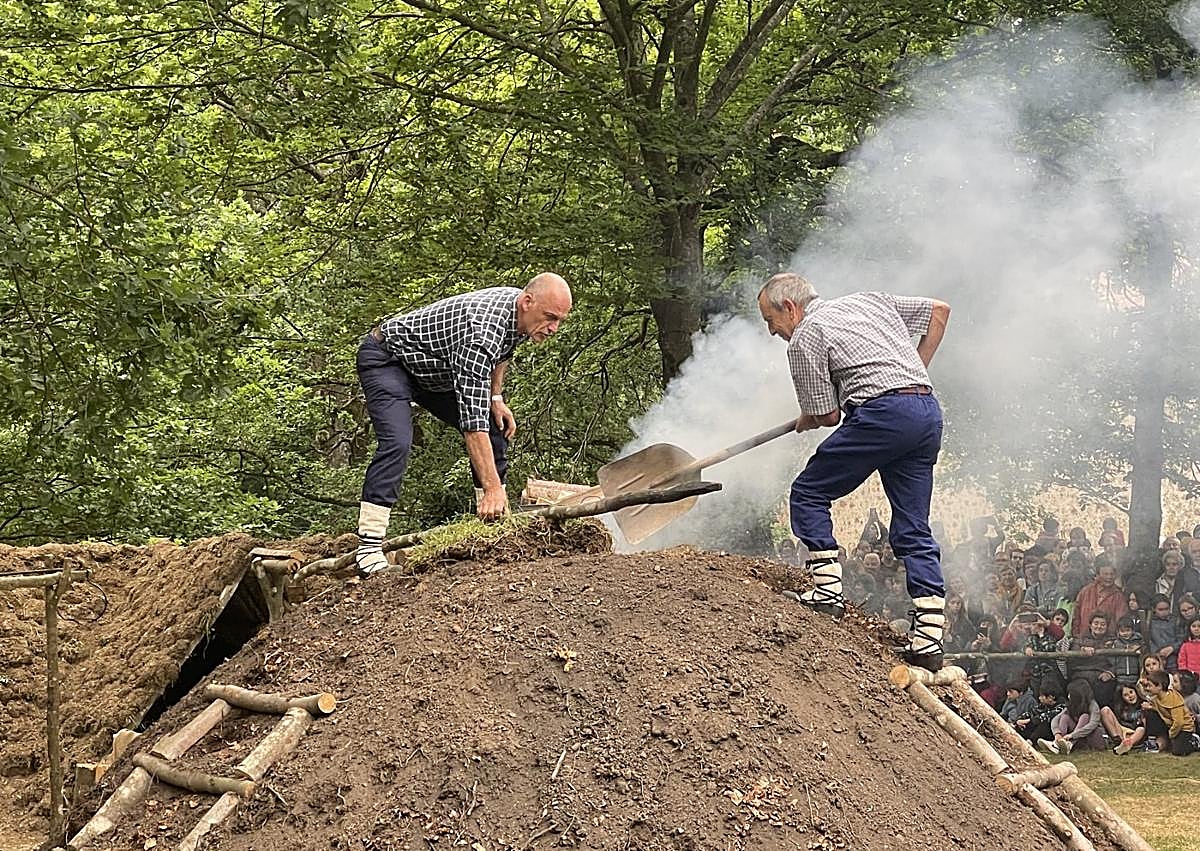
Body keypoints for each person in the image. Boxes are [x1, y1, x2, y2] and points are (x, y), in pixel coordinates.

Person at [758, 273, 950, 671]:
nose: (771, 331)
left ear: (789, 308)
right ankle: (929, 641)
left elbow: (828, 415)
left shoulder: (805, 336)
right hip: (926, 412)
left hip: (882, 415)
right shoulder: (869, 300)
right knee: (913, 525)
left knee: (808, 493)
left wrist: (810, 417)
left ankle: (826, 592)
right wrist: (915, 370)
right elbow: (939, 312)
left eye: (770, 320)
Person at [353, 274, 573, 574]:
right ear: (527, 302)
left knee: (496, 429)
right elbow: (472, 424)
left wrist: (496, 397)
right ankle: (368, 547)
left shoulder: (521, 314)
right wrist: (494, 488)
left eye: (559, 320)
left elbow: (503, 352)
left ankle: (491, 531)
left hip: (434, 372)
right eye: (550, 318)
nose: (553, 328)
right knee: (397, 441)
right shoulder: (480, 335)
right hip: (389, 361)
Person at [1141, 670, 1198, 756]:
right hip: (1171, 725)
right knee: (1150, 713)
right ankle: (1153, 740)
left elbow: (1179, 722)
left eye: (1149, 686)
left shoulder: (1173, 700)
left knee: (1178, 751)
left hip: (1183, 728)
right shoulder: (1157, 697)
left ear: (1159, 686)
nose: (1147, 688)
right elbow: (1161, 708)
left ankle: (1194, 742)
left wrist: (1171, 734)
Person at [1038, 679, 1104, 754]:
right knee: (1065, 717)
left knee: (1085, 716)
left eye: (1071, 693)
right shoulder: (1071, 704)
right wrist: (1057, 733)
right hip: (1077, 738)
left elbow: (1092, 725)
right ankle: (1057, 744)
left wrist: (1072, 735)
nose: (1069, 696)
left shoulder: (1092, 705)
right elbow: (1056, 719)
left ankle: (1069, 744)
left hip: (1092, 738)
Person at [1071, 563, 1123, 638]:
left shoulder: (1119, 596)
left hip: (1108, 643)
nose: (1109, 577)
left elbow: (1121, 622)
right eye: (1106, 574)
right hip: (1083, 642)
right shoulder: (1085, 592)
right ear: (1097, 575)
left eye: (1112, 574)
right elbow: (1076, 617)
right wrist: (1076, 637)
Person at [1102, 684, 1148, 755]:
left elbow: (1144, 725)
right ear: (1122, 698)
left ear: (1136, 691)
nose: (1130, 696)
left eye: (1131, 692)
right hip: (1122, 732)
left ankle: (1127, 745)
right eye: (1126, 695)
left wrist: (1146, 710)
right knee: (1105, 710)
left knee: (1141, 729)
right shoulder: (1121, 708)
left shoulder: (1144, 705)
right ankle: (1118, 742)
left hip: (1135, 733)